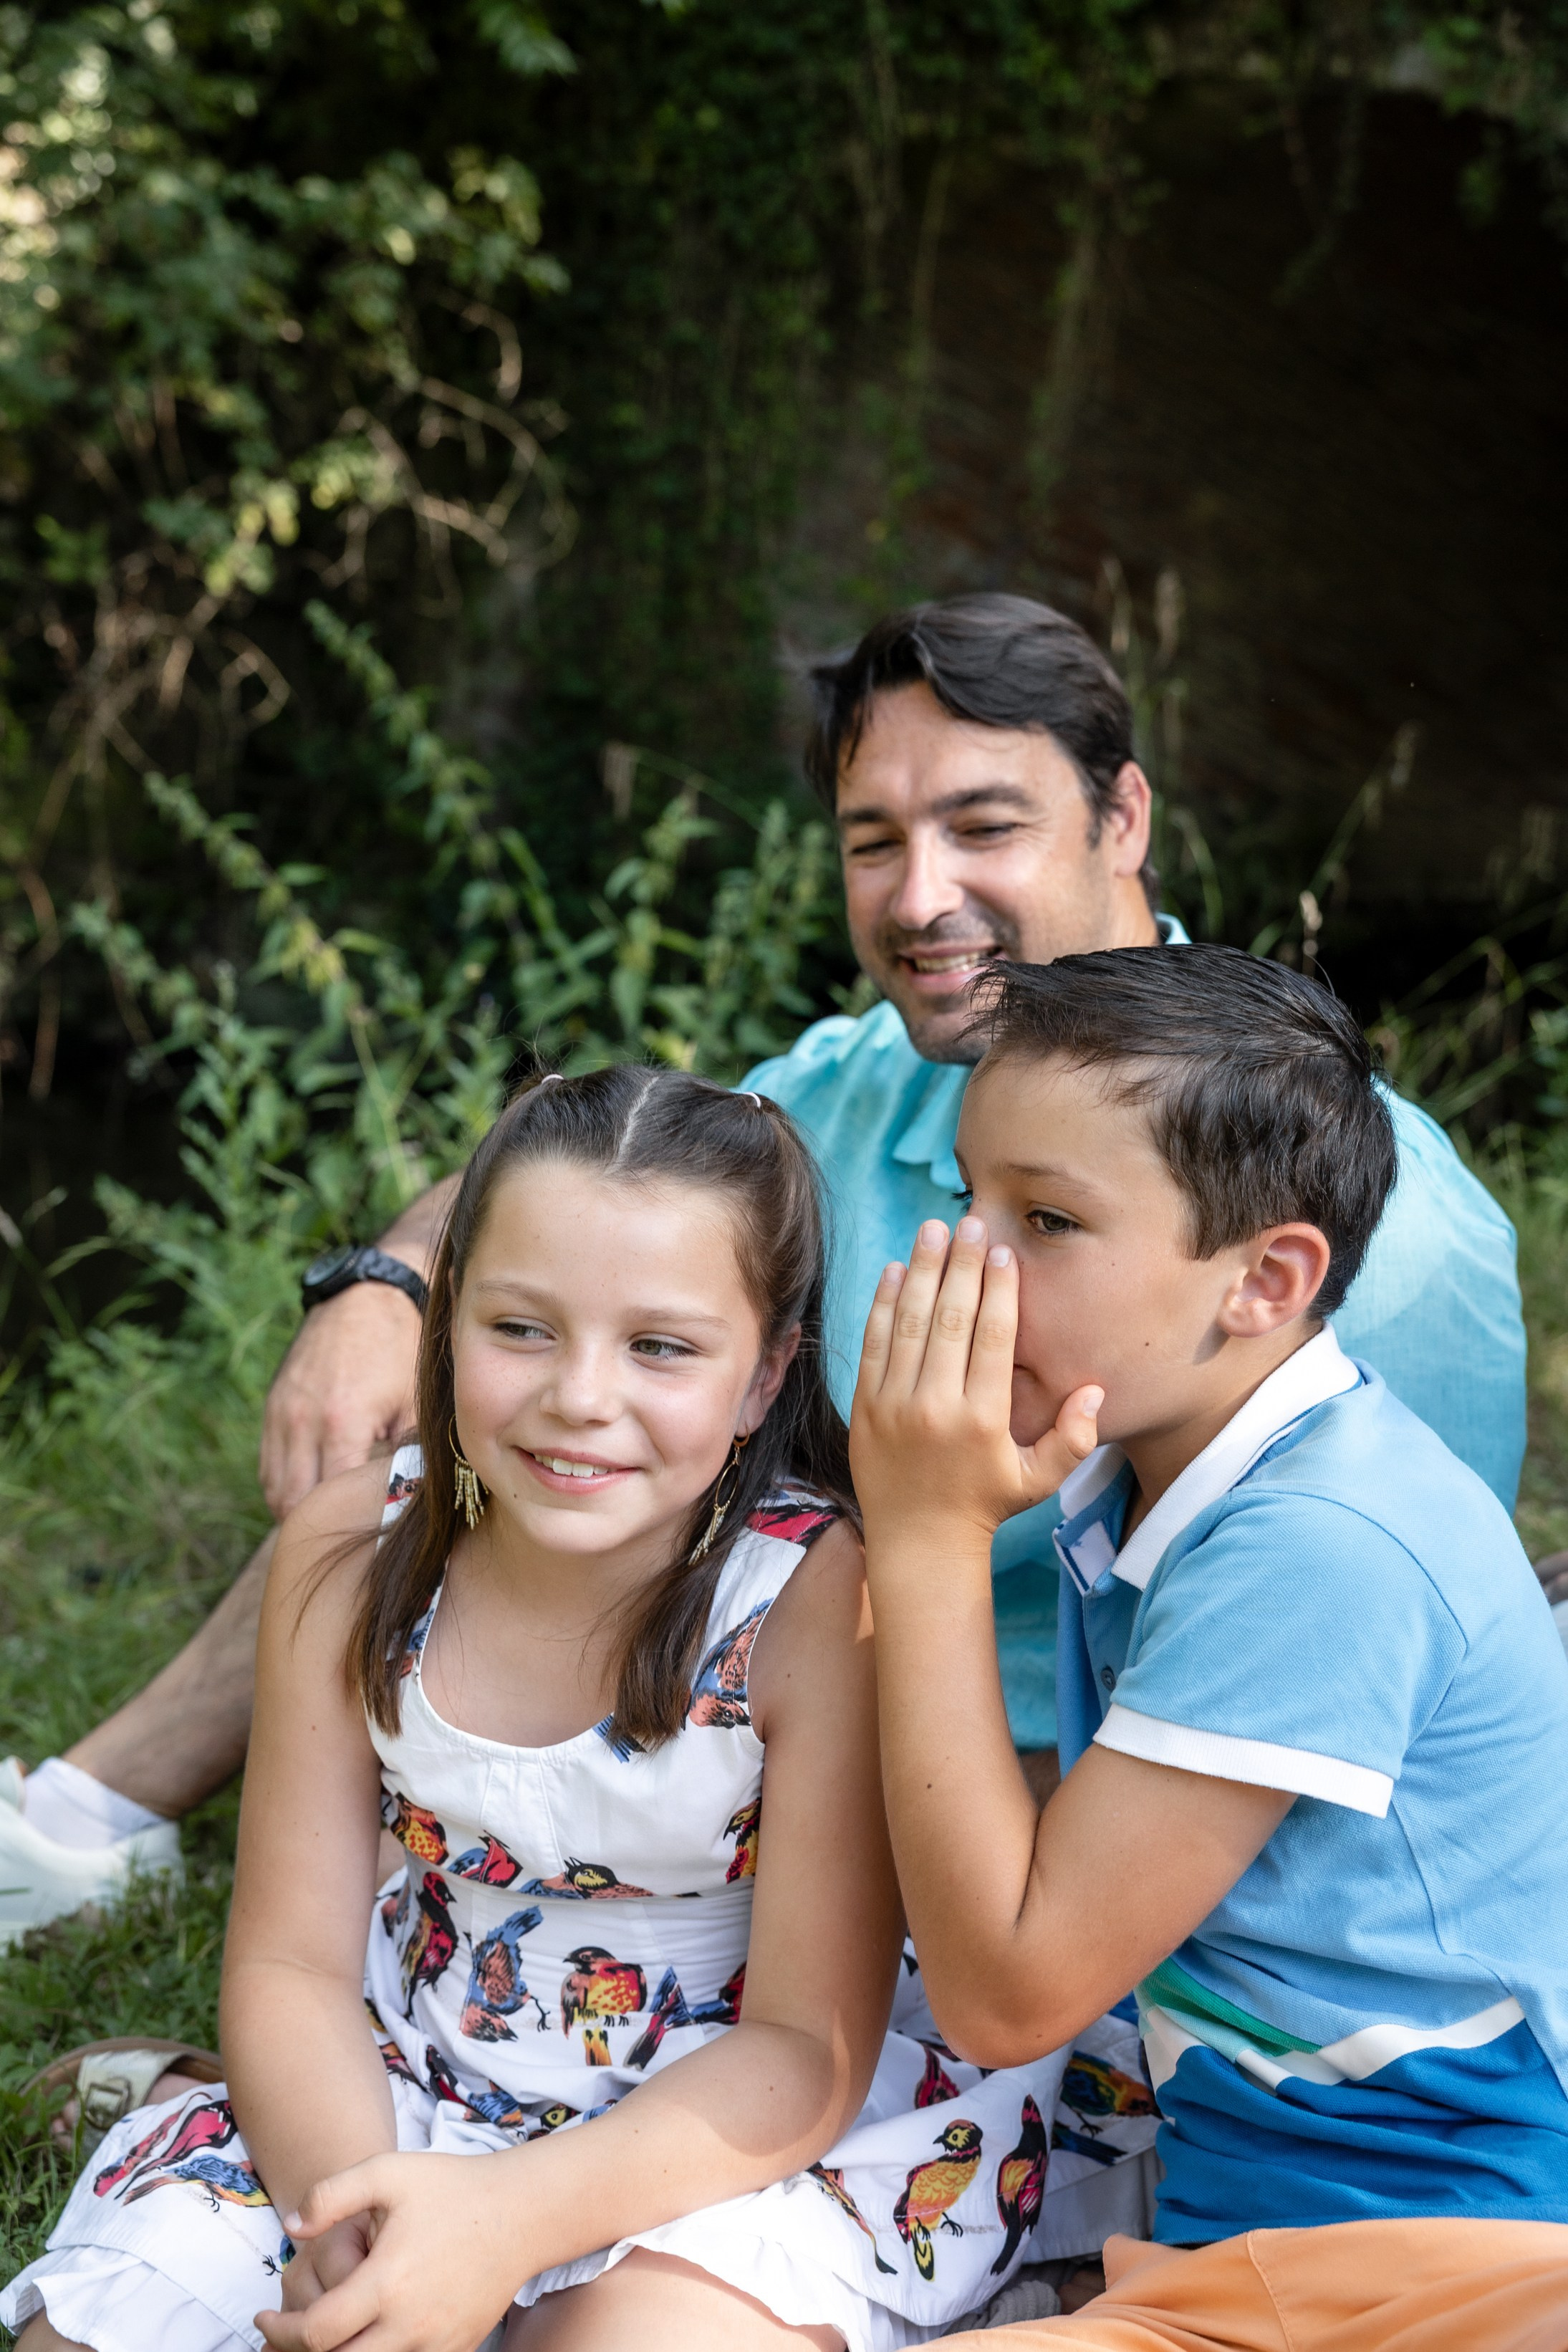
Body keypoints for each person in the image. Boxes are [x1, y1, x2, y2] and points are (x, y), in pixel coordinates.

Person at [1, 594, 1525, 1939]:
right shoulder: (868, 1073)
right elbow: (609, 1168)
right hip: (767, 1653)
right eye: (876, 841)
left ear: (1122, 818)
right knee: (494, 1406)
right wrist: (384, 1285)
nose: (922, 897)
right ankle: (80, 1826)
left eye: (985, 826)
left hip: (1045, 1786)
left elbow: (1347, 1665)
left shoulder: (1362, 1220)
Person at [5, 1067, 1072, 2352]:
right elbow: (292, 1959)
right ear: (445, 1324)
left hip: (723, 2125)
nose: (579, 1396)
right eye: (520, 1329)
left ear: (761, 1377)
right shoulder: (353, 1549)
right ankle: (216, 2124)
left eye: (661, 1347)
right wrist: (365, 2232)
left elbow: (801, 2050)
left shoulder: (809, 1603)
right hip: (412, 2068)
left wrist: (500, 2227)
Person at [851, 944, 1568, 2351]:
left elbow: (1009, 1987)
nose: (963, 1263)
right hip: (1247, 2217)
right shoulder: (1152, 1466)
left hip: (1443, 2255)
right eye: (964, 1198)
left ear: (1264, 1278)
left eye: (1046, 1220)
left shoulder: (1320, 1540)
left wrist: (926, 1542)